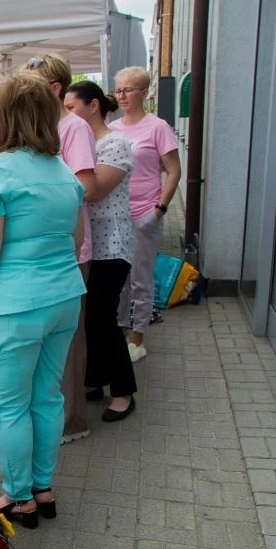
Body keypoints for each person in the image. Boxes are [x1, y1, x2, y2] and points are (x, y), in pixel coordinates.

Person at [0, 72, 85, 528]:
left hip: (12, 308)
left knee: (8, 405)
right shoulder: (63, 172)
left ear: (1, 118)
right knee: (46, 398)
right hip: (64, 298)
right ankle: (42, 487)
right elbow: (76, 238)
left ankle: (17, 496)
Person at [24, 55, 97, 444]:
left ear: (52, 89)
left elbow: (84, 184)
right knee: (48, 340)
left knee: (67, 341)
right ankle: (53, 415)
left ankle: (72, 420)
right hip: (45, 247)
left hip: (69, 247)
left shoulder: (73, 128)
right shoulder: (42, 128)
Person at [66, 80, 138, 422]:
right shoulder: (80, 142)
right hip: (87, 245)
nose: (66, 115)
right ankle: (93, 381)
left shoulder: (115, 143)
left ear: (93, 106)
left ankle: (123, 391)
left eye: (71, 108)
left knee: (102, 318)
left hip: (111, 245)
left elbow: (91, 191)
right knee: (87, 321)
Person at [110, 66, 181, 363]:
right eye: (118, 90)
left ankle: (138, 338)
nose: (122, 95)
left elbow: (174, 171)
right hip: (116, 215)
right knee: (120, 277)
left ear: (144, 93)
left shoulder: (157, 127)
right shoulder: (112, 129)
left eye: (129, 89)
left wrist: (160, 208)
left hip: (144, 213)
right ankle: (122, 330)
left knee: (140, 277)